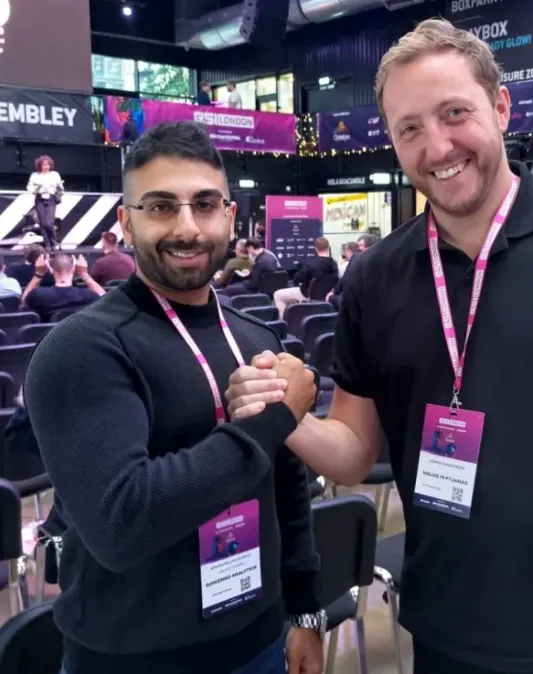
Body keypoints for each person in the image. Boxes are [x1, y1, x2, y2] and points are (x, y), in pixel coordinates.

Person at [228, 18, 533, 674]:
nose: (437, 146)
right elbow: (354, 452)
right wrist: (285, 416)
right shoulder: (376, 277)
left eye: (455, 113)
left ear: (500, 107)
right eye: (410, 128)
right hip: (449, 635)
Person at [24, 121, 324, 674]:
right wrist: (273, 419)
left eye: (205, 205)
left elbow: (287, 488)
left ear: (230, 217)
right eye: (161, 206)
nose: (187, 227)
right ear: (126, 220)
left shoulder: (256, 337)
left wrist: (305, 612)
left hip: (259, 640)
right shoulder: (81, 350)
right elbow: (123, 523)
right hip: (133, 659)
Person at [22, 254, 105, 322]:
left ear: (51, 270)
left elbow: (24, 300)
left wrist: (39, 274)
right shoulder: (87, 296)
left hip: (50, 340)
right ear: (73, 269)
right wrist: (84, 274)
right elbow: (105, 298)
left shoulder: (39, 295)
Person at [272, 237, 337, 318]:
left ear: (315, 249)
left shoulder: (310, 264)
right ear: (328, 247)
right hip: (327, 295)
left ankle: (283, 324)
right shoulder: (334, 264)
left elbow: (296, 280)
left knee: (277, 295)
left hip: (308, 295)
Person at [27, 155, 64, 249]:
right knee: (43, 223)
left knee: (49, 223)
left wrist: (59, 192)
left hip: (51, 199)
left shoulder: (55, 175)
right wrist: (36, 189)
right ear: (40, 166)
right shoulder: (35, 175)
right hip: (40, 198)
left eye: (47, 164)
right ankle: (47, 244)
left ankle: (54, 242)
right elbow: (29, 187)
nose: (46, 166)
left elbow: (60, 188)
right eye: (44, 165)